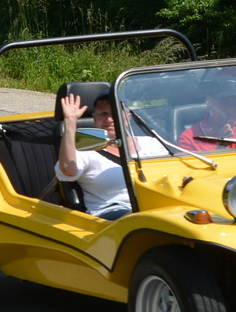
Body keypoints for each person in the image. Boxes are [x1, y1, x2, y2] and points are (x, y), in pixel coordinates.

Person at [55, 92, 167, 220]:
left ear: (128, 116)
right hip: (112, 213)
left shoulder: (151, 143)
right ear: (94, 117)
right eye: (103, 114)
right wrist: (70, 121)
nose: (109, 119)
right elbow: (68, 169)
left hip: (156, 207)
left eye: (115, 113)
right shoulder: (85, 149)